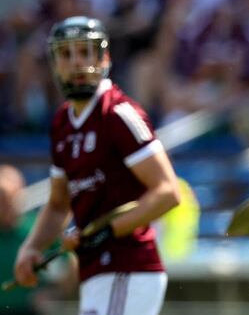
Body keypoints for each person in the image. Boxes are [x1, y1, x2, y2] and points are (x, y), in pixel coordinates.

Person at [13, 16, 181, 315]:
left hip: (128, 267)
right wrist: (31, 248)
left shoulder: (118, 114)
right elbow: (57, 204)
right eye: (66, 54)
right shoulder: (62, 122)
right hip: (95, 272)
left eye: (85, 52)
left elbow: (168, 191)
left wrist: (108, 231)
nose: (76, 63)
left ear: (103, 57)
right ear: (54, 63)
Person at [0, 165, 37, 315]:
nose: (4, 206)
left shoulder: (38, 230)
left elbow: (67, 270)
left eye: (8, 199)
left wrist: (53, 292)